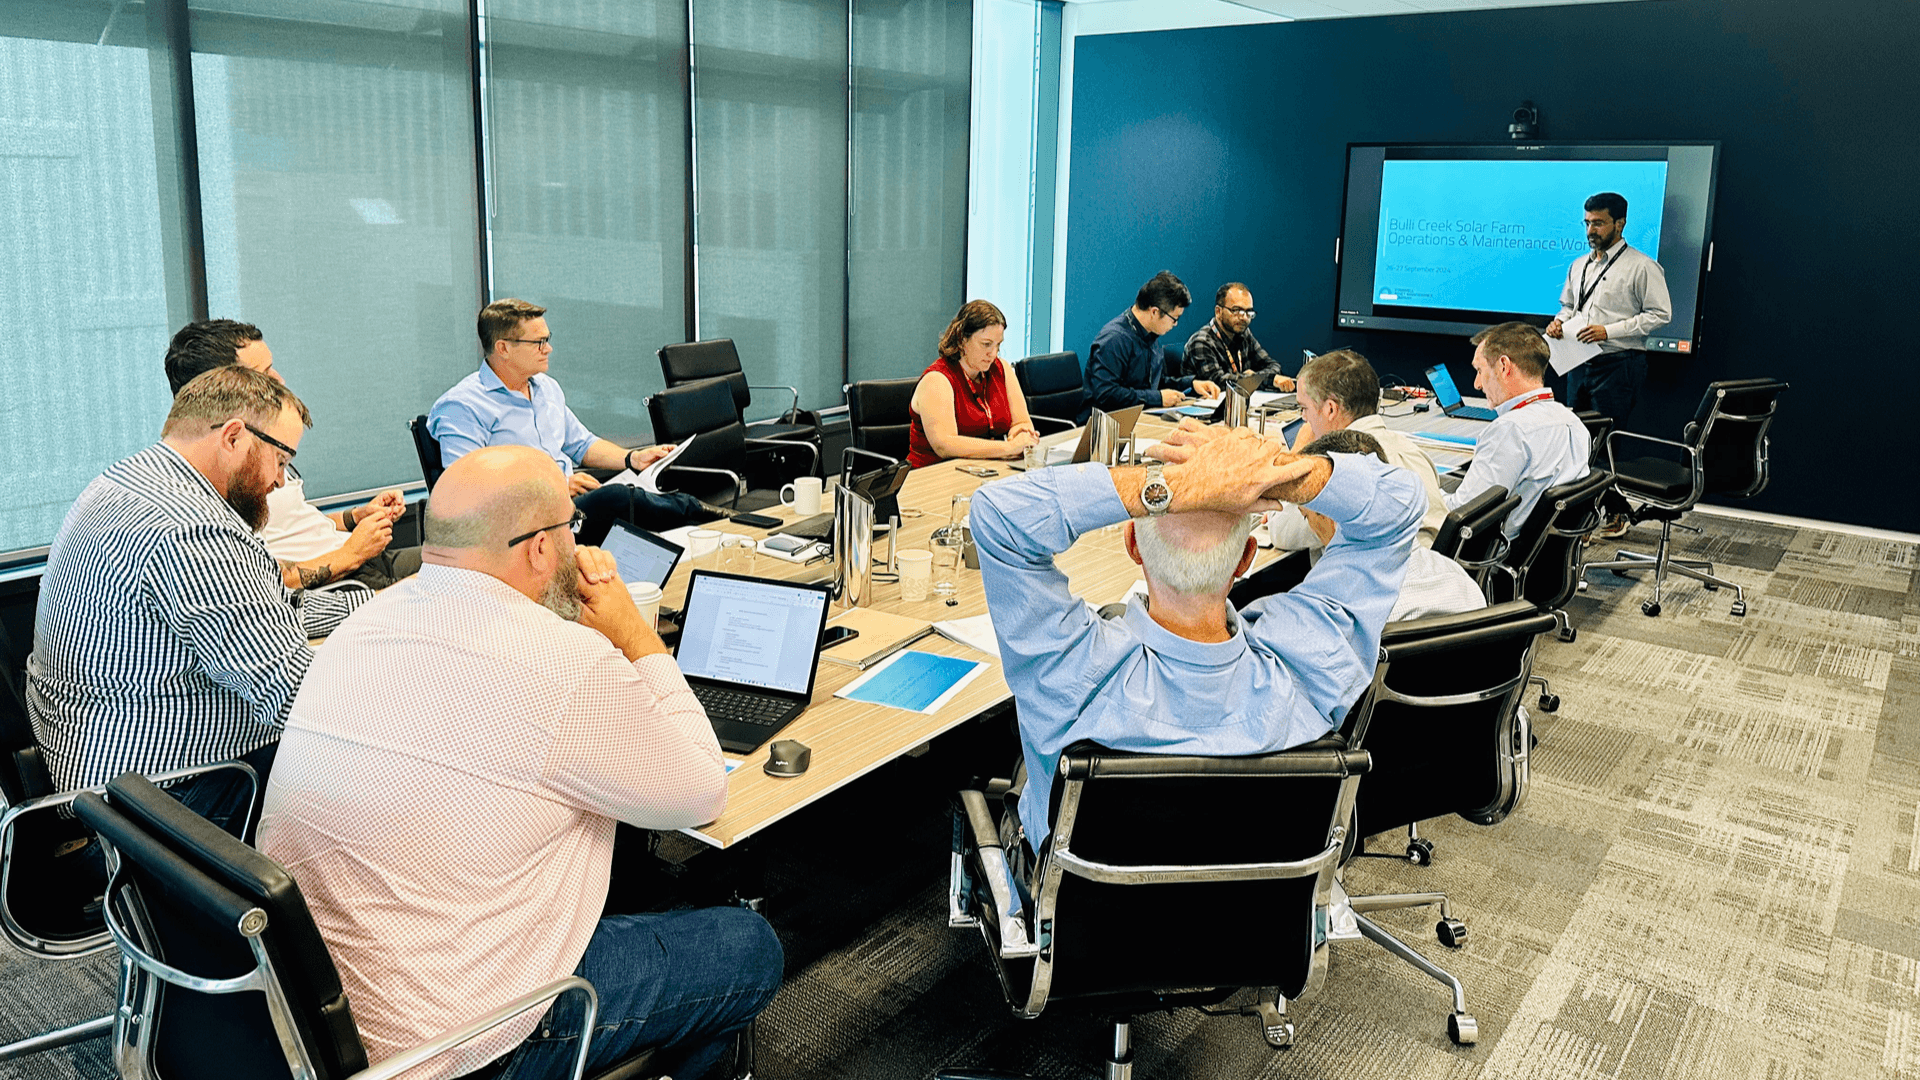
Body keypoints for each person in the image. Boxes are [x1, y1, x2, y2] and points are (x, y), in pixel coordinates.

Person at [257, 445, 782, 1080]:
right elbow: (700, 793)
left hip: (304, 1005)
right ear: (537, 548)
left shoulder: (360, 625)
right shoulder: (563, 663)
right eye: (573, 527)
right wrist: (634, 638)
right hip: (460, 1041)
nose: (577, 542)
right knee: (747, 947)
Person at [971, 423, 1424, 853]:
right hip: (1263, 920)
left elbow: (998, 515)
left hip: (1082, 923)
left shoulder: (1070, 671)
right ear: (1247, 557)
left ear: (1132, 545)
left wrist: (1170, 487)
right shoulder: (1312, 662)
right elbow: (1401, 504)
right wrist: (1271, 472)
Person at [27, 367, 360, 835]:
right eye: (281, 460)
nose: (282, 482)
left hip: (97, 772)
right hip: (168, 799)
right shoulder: (193, 530)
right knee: (383, 766)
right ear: (233, 437)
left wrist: (366, 608)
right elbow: (293, 695)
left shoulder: (131, 480)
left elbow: (262, 607)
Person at [163, 319, 417, 589]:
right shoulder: (222, 480)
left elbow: (289, 523)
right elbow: (261, 579)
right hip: (344, 579)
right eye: (264, 374)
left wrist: (355, 517)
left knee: (459, 559)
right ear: (227, 385)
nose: (279, 380)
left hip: (361, 559)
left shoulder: (263, 442)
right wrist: (351, 554)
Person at [428, 299, 700, 545]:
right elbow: (465, 488)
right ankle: (709, 517)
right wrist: (550, 487)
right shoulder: (463, 406)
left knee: (637, 502)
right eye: (538, 342)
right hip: (526, 523)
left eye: (547, 339)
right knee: (618, 498)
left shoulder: (545, 388)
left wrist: (632, 459)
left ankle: (704, 521)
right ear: (503, 349)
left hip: (567, 506)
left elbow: (582, 444)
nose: (548, 349)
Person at [1544, 192, 1671, 538]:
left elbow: (1660, 314)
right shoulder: (1579, 265)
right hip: (1579, 362)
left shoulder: (1642, 266)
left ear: (1620, 223)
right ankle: (1587, 512)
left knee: (1606, 443)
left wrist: (1609, 330)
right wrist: (1559, 323)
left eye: (1598, 223)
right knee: (1577, 442)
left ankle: (1614, 513)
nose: (1591, 230)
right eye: (1587, 222)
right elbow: (1568, 307)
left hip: (1620, 363)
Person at [1288, 430, 1486, 623]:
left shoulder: (1334, 610)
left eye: (1307, 517)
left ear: (1335, 520)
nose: (1313, 530)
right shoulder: (1462, 582)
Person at [1268, 348, 1448, 552]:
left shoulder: (1339, 467)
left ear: (1330, 409)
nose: (1304, 419)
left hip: (1384, 581)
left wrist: (1298, 455)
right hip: (1434, 571)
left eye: (1304, 408)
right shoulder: (1410, 450)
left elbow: (1281, 533)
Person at [1446, 322, 1590, 540]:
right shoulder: (1573, 423)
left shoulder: (1510, 431)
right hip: (1536, 557)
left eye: (1480, 370)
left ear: (1504, 366)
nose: (1476, 384)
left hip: (1490, 554)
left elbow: (1463, 513)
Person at [905, 299, 1041, 468]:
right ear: (962, 339)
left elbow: (1021, 422)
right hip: (932, 476)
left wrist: (1021, 434)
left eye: (998, 345)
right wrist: (1008, 447)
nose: (993, 353)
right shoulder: (937, 379)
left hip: (982, 470)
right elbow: (945, 445)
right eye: (986, 344)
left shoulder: (1001, 368)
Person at [1081, 270, 1222, 421]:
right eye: (1174, 319)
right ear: (1155, 312)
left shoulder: (1151, 335)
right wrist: (1157, 398)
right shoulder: (1114, 339)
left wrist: (1191, 384)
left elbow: (1155, 383)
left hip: (1138, 419)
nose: (1175, 324)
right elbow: (1106, 394)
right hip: (1102, 427)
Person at [1183, 282, 1294, 392]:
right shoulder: (1201, 342)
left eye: (1248, 312)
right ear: (1218, 311)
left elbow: (1273, 365)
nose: (1244, 318)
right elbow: (1219, 382)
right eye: (1236, 310)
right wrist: (1263, 379)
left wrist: (1254, 376)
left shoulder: (1243, 334)